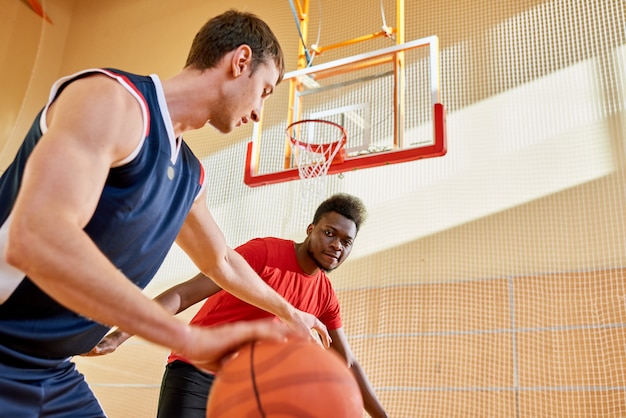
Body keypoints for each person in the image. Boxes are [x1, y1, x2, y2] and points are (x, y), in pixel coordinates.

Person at [0, 9, 330, 418]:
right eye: (264, 91)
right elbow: (38, 236)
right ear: (240, 61)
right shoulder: (113, 100)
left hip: (51, 371)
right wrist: (181, 336)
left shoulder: (189, 176)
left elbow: (222, 261)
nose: (260, 112)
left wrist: (290, 311)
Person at [89, 193, 389, 418]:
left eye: (346, 241)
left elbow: (347, 363)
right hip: (196, 371)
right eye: (329, 233)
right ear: (311, 229)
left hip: (246, 389)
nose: (337, 245)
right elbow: (186, 293)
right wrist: (119, 335)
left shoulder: (325, 297)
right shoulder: (264, 252)